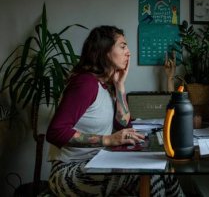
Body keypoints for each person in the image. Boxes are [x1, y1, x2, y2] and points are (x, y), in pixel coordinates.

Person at [46, 25, 184, 196]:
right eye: (123, 46)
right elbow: (55, 132)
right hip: (68, 173)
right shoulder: (85, 84)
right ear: (104, 50)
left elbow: (123, 123)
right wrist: (108, 140)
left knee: (166, 170)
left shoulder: (105, 86)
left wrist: (120, 85)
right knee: (149, 172)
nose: (129, 52)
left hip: (95, 162)